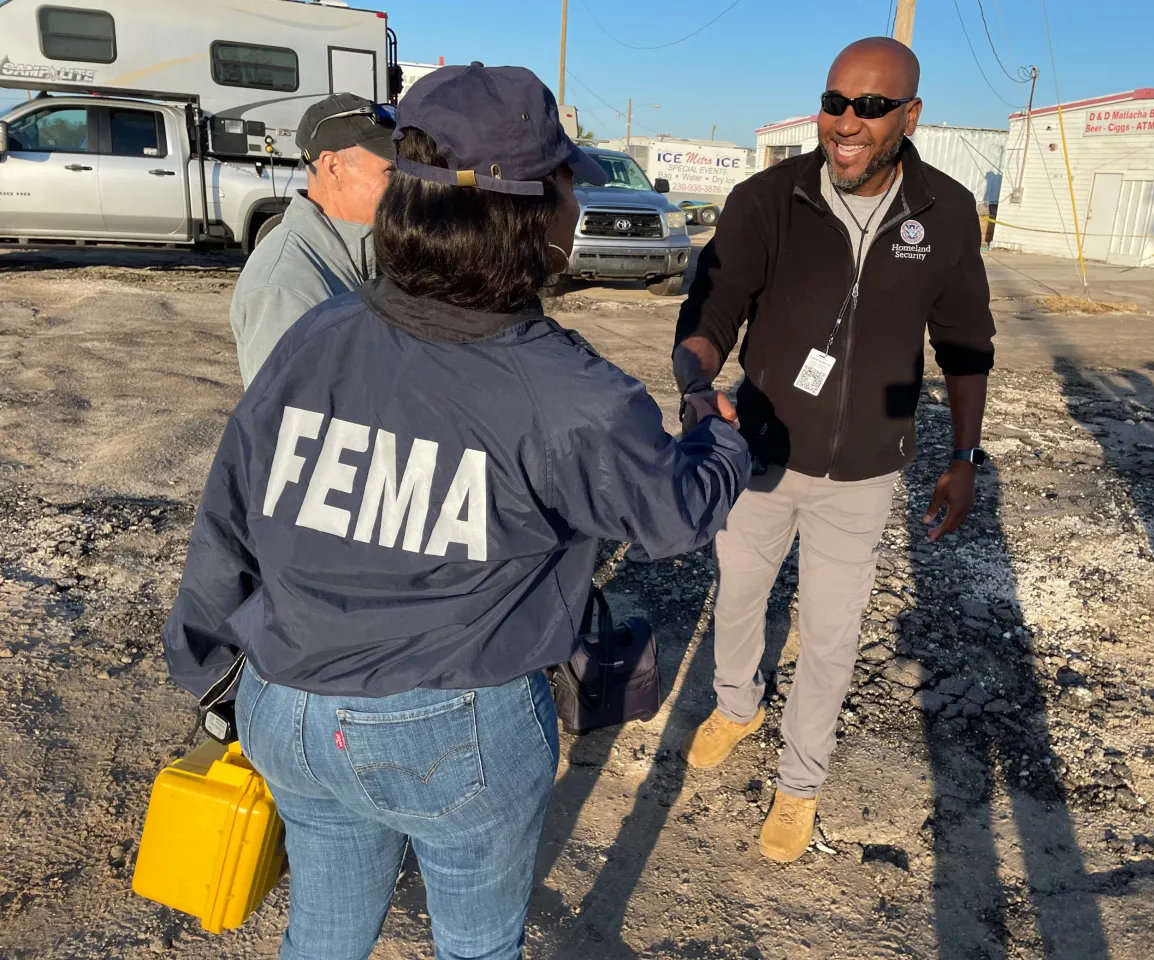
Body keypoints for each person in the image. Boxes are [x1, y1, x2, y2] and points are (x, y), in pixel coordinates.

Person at [163, 63, 747, 960]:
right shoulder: (574, 392)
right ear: (529, 213)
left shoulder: (320, 332)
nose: (575, 206)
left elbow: (230, 510)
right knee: (476, 946)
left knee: (323, 926)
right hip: (450, 731)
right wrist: (721, 435)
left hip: (287, 706)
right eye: (565, 183)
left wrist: (210, 666)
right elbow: (674, 518)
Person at [673, 37, 997, 863]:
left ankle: (800, 783)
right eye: (835, 102)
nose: (846, 122)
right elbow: (713, 312)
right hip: (759, 457)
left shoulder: (947, 211)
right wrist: (695, 382)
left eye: (871, 106)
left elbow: (965, 343)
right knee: (740, 599)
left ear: (909, 115)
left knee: (828, 633)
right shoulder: (767, 199)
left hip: (863, 472)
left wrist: (965, 456)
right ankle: (738, 706)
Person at [229, 92, 395, 387]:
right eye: (391, 171)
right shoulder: (284, 287)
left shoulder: (365, 251)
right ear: (333, 168)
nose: (407, 185)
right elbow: (286, 422)